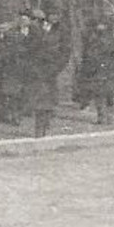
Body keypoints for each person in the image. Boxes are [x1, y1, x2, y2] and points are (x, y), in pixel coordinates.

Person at [25, 9, 71, 138]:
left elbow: (65, 51)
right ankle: (39, 127)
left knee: (48, 98)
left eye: (56, 15)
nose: (53, 17)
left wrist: (57, 67)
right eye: (51, 14)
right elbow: (29, 45)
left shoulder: (62, 31)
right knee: (38, 97)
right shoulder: (36, 28)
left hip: (52, 69)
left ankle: (45, 124)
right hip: (37, 68)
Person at [73, 14, 114, 125]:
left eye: (103, 24)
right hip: (96, 69)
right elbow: (88, 53)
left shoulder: (113, 38)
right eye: (99, 24)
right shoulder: (92, 37)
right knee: (98, 94)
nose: (101, 27)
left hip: (108, 70)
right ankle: (102, 116)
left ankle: (109, 117)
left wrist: (110, 64)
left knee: (109, 94)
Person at [0, 7, 36, 125]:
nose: (23, 21)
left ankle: (24, 112)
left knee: (27, 92)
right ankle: (15, 115)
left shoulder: (36, 32)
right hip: (15, 66)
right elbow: (6, 47)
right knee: (14, 93)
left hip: (30, 66)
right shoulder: (12, 32)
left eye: (26, 19)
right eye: (21, 18)